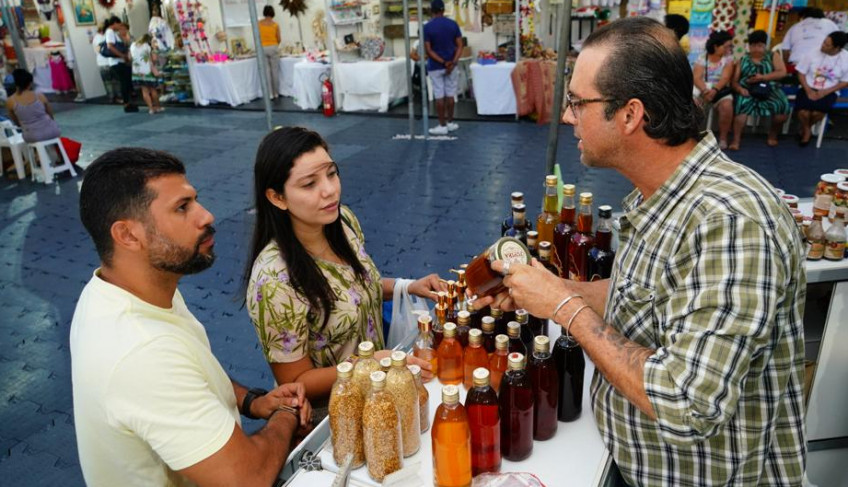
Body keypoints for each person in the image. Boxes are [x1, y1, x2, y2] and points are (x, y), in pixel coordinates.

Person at [479, 17, 806, 486]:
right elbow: (651, 295)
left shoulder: (731, 222)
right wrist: (553, 288)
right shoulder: (659, 195)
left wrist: (564, 306)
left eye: (577, 103)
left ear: (631, 114)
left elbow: (687, 403)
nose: (568, 116)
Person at [73, 147, 313, 486]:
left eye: (194, 200)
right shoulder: (142, 353)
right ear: (128, 235)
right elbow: (248, 479)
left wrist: (253, 401)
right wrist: (285, 417)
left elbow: (192, 373)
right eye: (182, 208)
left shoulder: (125, 286)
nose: (206, 216)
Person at [244, 127, 441, 408]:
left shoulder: (343, 221)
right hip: (335, 414)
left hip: (381, 391)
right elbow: (295, 382)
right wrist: (367, 363)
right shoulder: (274, 280)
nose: (330, 190)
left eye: (331, 173)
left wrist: (405, 286)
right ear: (277, 197)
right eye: (309, 184)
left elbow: (354, 288)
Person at [731, 30, 791, 149]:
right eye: (753, 46)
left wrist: (763, 77)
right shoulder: (743, 59)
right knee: (741, 105)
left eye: (760, 46)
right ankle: (736, 140)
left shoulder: (773, 56)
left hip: (769, 88)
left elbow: (782, 72)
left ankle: (772, 135)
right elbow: (734, 81)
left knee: (781, 106)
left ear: (765, 46)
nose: (756, 49)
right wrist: (739, 89)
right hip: (747, 89)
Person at [794, 31, 848, 147]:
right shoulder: (813, 53)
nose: (823, 46)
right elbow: (801, 73)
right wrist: (808, 90)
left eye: (827, 45)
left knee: (817, 113)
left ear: (836, 48)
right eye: (824, 42)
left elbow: (845, 81)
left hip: (829, 90)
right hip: (808, 86)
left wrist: (825, 92)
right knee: (803, 111)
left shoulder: (845, 59)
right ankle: (807, 131)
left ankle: (804, 128)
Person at [424, 0, 462, 135]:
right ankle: (450, 122)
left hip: (435, 66)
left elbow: (428, 50)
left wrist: (443, 62)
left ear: (431, 10)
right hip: (452, 65)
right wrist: (452, 62)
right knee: (451, 94)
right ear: (443, 10)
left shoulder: (427, 27)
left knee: (439, 95)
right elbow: (460, 45)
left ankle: (442, 125)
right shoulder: (453, 24)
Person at [693, 30, 734, 149]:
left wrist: (714, 91)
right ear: (716, 46)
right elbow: (697, 77)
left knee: (727, 106)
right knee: (692, 104)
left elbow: (725, 77)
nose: (729, 49)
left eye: (730, 46)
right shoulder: (702, 57)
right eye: (726, 46)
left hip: (720, 89)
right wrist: (705, 90)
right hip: (702, 88)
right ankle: (692, 136)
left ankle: (722, 138)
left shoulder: (728, 59)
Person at [5, 69, 60, 143]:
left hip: (32, 135)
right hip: (52, 131)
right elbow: (50, 115)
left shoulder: (11, 101)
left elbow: (16, 122)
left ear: (16, 84)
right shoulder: (39, 96)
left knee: (34, 145)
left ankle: (37, 154)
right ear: (29, 83)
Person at [105, 16, 138, 113]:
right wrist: (122, 55)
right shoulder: (110, 32)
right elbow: (110, 46)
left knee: (126, 82)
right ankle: (126, 104)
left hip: (120, 61)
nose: (119, 27)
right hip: (117, 62)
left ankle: (128, 102)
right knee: (124, 82)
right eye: (118, 24)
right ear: (114, 23)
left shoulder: (113, 33)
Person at [131, 33, 164, 115]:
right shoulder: (147, 46)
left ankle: (151, 109)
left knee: (144, 90)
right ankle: (158, 107)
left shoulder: (133, 45)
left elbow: (130, 57)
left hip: (137, 71)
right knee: (153, 89)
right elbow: (153, 60)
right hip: (147, 71)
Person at [93, 21, 120, 103]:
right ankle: (118, 96)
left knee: (107, 82)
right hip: (110, 61)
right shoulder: (108, 36)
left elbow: (97, 50)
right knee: (116, 81)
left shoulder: (96, 38)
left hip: (102, 62)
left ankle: (111, 97)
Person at [258, 6, 282, 100]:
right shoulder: (275, 25)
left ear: (264, 12)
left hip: (262, 48)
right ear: (272, 13)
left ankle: (270, 94)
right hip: (273, 47)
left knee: (267, 72)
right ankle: (276, 93)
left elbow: (257, 36)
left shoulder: (259, 24)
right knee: (275, 71)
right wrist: (274, 45)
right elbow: (279, 39)